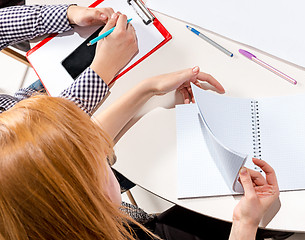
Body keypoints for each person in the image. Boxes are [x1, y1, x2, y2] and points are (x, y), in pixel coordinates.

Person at [0, 65, 280, 239]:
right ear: (82, 200)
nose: (104, 152)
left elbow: (87, 143)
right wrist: (246, 224)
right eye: (101, 165)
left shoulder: (38, 214)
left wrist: (148, 89)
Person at [0, 4, 138, 115]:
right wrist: (103, 70)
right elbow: (49, 134)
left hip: (28, 100)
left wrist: (70, 14)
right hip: (55, 122)